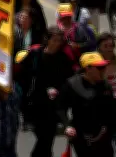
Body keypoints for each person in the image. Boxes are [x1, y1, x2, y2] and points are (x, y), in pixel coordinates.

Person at [15, 27, 74, 157]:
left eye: (60, 40)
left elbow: (69, 80)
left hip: (53, 107)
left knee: (47, 139)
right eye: (54, 40)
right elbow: (21, 75)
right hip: (35, 104)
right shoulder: (35, 54)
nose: (57, 43)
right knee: (44, 138)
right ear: (47, 39)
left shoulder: (63, 59)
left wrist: (58, 91)